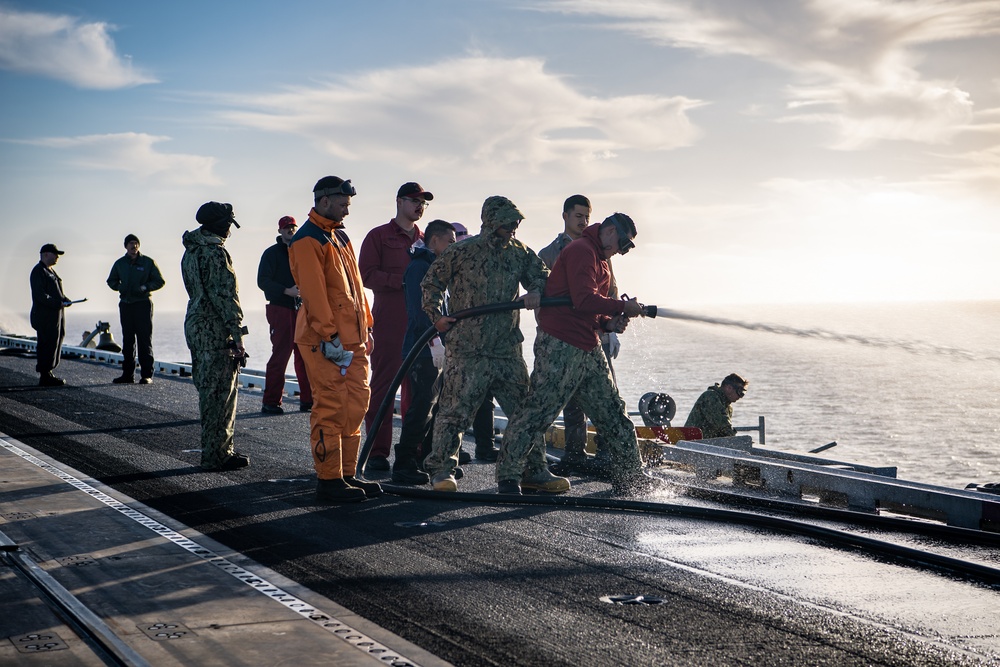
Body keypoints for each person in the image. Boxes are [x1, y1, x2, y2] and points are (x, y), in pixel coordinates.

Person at [497, 213, 666, 496]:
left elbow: (591, 310)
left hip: (588, 346)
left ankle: (631, 478)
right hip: (560, 346)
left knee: (614, 414)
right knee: (537, 412)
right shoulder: (581, 251)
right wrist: (622, 309)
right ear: (609, 230)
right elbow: (584, 299)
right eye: (621, 243)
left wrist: (607, 323)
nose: (620, 251)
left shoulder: (601, 259)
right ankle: (509, 477)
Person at [421, 195, 556, 493]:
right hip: (468, 350)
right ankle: (442, 470)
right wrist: (437, 317)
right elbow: (431, 283)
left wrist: (535, 289)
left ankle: (533, 470)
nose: (514, 227)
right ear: (492, 221)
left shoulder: (519, 252)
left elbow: (543, 275)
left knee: (524, 412)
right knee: (454, 412)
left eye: (516, 222)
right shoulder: (462, 251)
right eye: (508, 222)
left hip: (506, 349)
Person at [289, 176, 381, 504]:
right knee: (331, 405)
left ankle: (347, 474)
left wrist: (367, 327)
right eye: (342, 204)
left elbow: (355, 288)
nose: (346, 211)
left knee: (356, 403)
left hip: (352, 338)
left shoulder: (339, 237)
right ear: (324, 200)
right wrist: (329, 336)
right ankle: (329, 481)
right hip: (324, 339)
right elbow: (313, 294)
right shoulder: (307, 240)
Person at [538, 195, 619, 472]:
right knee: (570, 400)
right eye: (578, 216)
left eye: (587, 216)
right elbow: (544, 296)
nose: (583, 221)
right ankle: (575, 455)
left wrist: (611, 327)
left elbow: (610, 291)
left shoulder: (602, 252)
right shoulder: (548, 254)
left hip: (597, 334)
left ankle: (608, 455)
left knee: (606, 396)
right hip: (563, 336)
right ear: (565, 216)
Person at [359, 182, 431, 472]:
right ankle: (377, 452)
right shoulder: (378, 236)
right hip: (389, 322)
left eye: (423, 202)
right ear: (399, 201)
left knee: (418, 391)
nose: (419, 206)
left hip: (421, 326)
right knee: (383, 388)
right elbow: (365, 275)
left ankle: (412, 451)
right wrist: (403, 280)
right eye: (414, 200)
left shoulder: (428, 241)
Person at [181, 202, 251, 472]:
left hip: (196, 325)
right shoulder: (215, 253)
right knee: (221, 394)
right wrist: (238, 335)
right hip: (215, 329)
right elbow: (225, 297)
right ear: (222, 225)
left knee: (208, 392)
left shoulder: (191, 251)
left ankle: (215, 451)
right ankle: (217, 454)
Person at [391, 219, 457, 485]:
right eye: (450, 242)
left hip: (434, 346)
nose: (454, 247)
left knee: (435, 406)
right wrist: (434, 343)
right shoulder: (420, 267)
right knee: (421, 407)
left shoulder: (437, 268)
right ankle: (404, 463)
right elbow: (421, 313)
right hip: (424, 348)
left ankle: (426, 460)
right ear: (434, 241)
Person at [453, 222, 499, 462]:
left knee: (484, 397)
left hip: (484, 341)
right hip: (458, 343)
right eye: (457, 236)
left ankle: (485, 445)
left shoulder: (478, 262)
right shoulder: (448, 264)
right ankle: (453, 450)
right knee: (456, 398)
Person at [257, 216, 313, 415]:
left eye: (293, 227)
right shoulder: (271, 254)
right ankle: (271, 402)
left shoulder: (303, 252)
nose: (290, 230)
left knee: (305, 356)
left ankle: (308, 401)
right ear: (280, 231)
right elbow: (262, 281)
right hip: (280, 308)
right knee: (280, 355)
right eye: (287, 227)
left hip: (302, 310)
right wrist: (285, 291)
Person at [106, 234, 165, 384]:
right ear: (126, 246)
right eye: (131, 244)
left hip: (143, 303)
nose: (134, 246)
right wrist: (120, 287)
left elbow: (159, 281)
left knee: (144, 339)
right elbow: (111, 280)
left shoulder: (148, 262)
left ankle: (146, 375)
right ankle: (127, 375)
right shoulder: (120, 264)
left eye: (136, 243)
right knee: (128, 340)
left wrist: (145, 287)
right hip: (126, 304)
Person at [30, 243, 72, 387]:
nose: (57, 257)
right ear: (46, 254)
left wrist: (64, 299)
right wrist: (57, 303)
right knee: (47, 342)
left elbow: (56, 292)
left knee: (56, 339)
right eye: (55, 254)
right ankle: (45, 374)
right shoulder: (38, 271)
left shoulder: (50, 271)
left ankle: (49, 372)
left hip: (55, 315)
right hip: (44, 316)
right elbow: (40, 295)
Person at [684, 373, 749, 439]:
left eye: (743, 393)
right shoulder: (710, 396)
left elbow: (724, 433)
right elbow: (722, 424)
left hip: (706, 444)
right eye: (740, 391)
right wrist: (737, 440)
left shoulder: (728, 407)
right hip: (691, 443)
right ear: (728, 388)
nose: (741, 396)